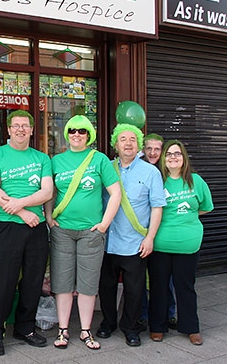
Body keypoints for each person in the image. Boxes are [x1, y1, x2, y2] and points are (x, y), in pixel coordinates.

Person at [44, 115, 121, 350]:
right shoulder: (56, 161)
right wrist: (49, 217)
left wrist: (104, 223)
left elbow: (115, 193)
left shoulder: (99, 160)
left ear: (89, 136)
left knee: (88, 284)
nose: (77, 134)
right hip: (63, 230)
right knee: (62, 282)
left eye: (82, 131)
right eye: (73, 130)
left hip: (91, 231)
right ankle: (63, 330)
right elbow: (51, 192)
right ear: (67, 134)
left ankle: (86, 331)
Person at [0, 110, 53, 356]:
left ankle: (25, 328)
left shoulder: (42, 158)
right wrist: (23, 212)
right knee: (2, 281)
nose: (21, 129)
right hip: (8, 226)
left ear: (32, 130)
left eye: (26, 125)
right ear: (9, 130)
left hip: (35, 229)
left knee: (33, 281)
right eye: (16, 125)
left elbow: (46, 192)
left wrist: (20, 205)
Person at [96, 124, 166, 347]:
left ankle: (130, 327)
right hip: (107, 241)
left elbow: (157, 207)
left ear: (139, 145)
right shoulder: (105, 167)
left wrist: (150, 238)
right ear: (115, 144)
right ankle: (108, 322)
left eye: (133, 140)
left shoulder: (151, 172)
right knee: (105, 286)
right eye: (123, 139)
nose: (128, 143)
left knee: (134, 289)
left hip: (135, 242)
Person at [148, 140, 213, 346]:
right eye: (169, 154)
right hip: (160, 244)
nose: (173, 157)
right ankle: (158, 326)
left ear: (184, 158)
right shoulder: (158, 180)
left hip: (188, 244)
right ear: (164, 159)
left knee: (185, 287)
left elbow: (205, 207)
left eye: (177, 154)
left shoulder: (196, 181)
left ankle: (191, 327)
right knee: (159, 287)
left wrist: (187, 218)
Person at [139, 133, 178, 331]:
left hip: (164, 233)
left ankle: (168, 314)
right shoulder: (138, 169)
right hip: (140, 232)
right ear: (143, 150)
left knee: (165, 277)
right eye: (149, 148)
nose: (153, 153)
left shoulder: (168, 172)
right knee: (142, 278)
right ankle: (144, 316)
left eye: (157, 149)